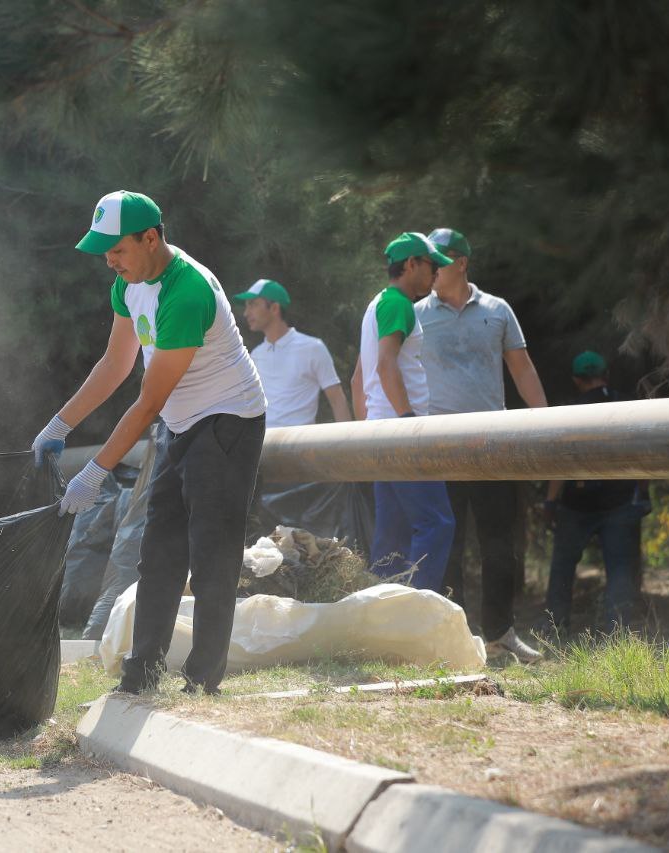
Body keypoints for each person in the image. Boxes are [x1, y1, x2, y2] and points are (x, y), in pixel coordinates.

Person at [33, 190, 266, 696]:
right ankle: (141, 675)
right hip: (179, 423)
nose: (109, 261)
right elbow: (115, 365)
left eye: (117, 250)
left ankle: (203, 680)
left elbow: (147, 401)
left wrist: (95, 471)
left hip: (227, 421)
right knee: (158, 552)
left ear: (151, 238)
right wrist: (59, 425)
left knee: (210, 556)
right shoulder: (129, 283)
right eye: (104, 252)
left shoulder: (187, 292)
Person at [415, 228, 545, 662]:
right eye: (428, 261)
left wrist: (548, 423)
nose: (432, 269)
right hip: (438, 447)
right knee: (446, 543)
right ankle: (454, 638)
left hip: (493, 445)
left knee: (498, 544)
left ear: (463, 262)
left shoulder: (498, 310)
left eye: (440, 260)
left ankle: (500, 636)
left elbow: (522, 370)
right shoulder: (414, 313)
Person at [350, 233, 455, 591]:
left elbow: (357, 378)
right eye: (432, 265)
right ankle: (417, 614)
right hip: (402, 431)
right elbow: (385, 364)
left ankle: (382, 625)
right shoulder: (397, 303)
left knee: (391, 537)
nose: (436, 274)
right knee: (437, 523)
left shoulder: (376, 304)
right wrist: (408, 421)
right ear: (411, 264)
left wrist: (366, 430)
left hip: (381, 432)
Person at [542, 351, 639, 633]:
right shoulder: (625, 407)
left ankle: (554, 629)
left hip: (576, 503)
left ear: (576, 380)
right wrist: (641, 493)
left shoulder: (571, 411)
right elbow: (641, 454)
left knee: (562, 568)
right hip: (619, 501)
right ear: (605, 375)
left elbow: (560, 462)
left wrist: (550, 502)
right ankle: (618, 633)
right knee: (620, 569)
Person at [233, 279, 350, 426]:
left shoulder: (313, 348)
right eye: (246, 306)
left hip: (301, 445)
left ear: (275, 308)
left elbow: (337, 400)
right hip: (263, 445)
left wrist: (348, 445)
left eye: (253, 304)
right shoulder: (255, 355)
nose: (246, 313)